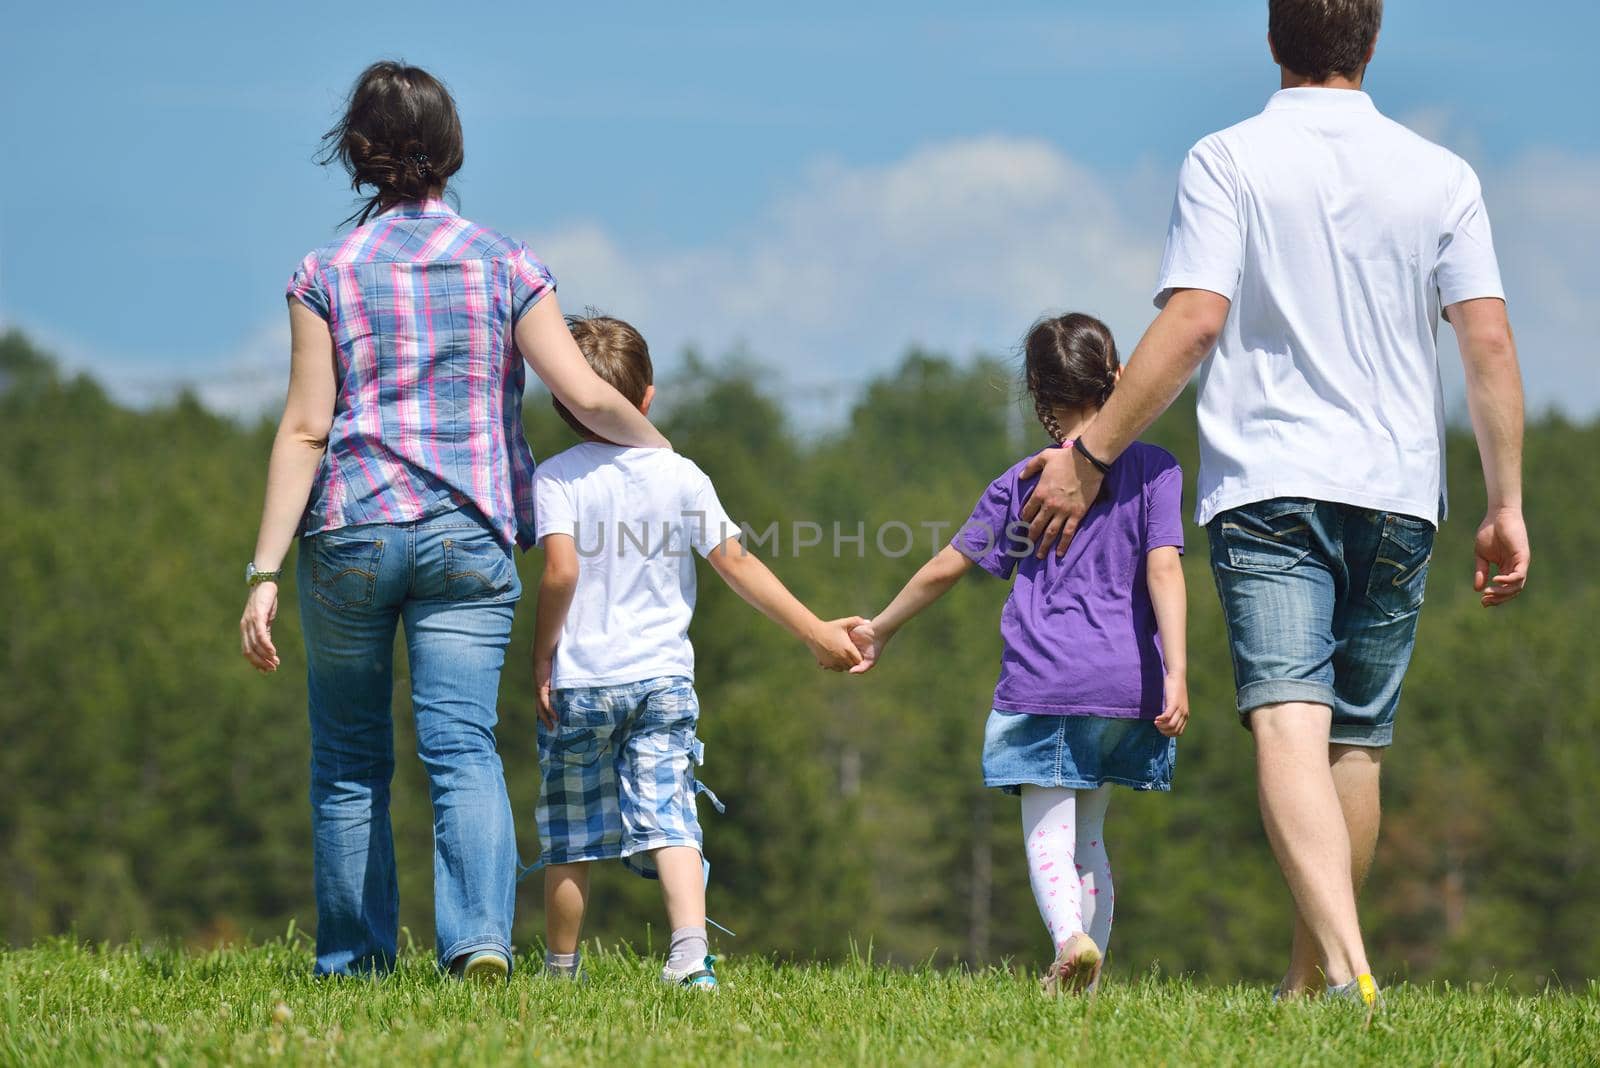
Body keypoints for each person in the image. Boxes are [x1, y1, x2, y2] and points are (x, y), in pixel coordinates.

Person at [1019, 0, 1529, 1006]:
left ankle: (1341, 970)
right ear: (1371, 42)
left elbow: (1194, 322)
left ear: (1272, 39)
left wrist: (1089, 451)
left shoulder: (1227, 159)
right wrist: (1504, 502)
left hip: (1273, 485)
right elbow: (1487, 344)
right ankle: (1311, 990)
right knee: (1354, 741)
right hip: (1397, 493)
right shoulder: (1443, 177)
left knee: (1288, 721)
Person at [237, 62, 672, 980]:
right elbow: (584, 391)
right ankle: (478, 943)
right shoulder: (507, 263)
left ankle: (355, 959)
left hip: (351, 531)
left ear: (358, 155)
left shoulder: (324, 274)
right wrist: (666, 456)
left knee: (351, 758)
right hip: (468, 534)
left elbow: (308, 426)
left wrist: (264, 570)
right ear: (452, 149)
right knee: (461, 747)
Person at [849, 313, 1189, 994]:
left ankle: (1069, 942)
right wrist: (1178, 670)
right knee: (1090, 837)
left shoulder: (1026, 480)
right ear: (1118, 376)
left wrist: (881, 627)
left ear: (1039, 393)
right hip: (1130, 687)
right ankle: (1084, 987)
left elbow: (950, 564)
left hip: (1046, 682)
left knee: (1047, 832)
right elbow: (1165, 570)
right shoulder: (1157, 469)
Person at [531, 314, 866, 990]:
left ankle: (560, 970)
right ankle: (688, 955)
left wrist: (541, 655)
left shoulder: (556, 478)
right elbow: (737, 565)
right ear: (647, 398)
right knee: (670, 814)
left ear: (566, 401)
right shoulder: (679, 474)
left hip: (583, 682)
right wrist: (815, 631)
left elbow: (561, 573)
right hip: (661, 681)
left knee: (571, 835)